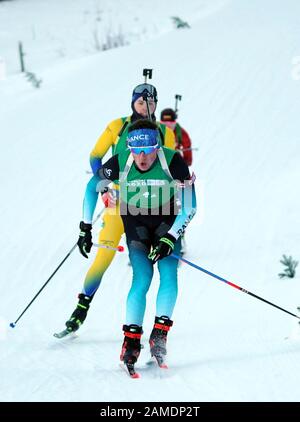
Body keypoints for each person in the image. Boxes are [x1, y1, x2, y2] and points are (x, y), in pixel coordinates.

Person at [78, 119, 197, 372]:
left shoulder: (173, 161)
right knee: (142, 278)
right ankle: (131, 340)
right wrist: (85, 226)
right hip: (135, 221)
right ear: (129, 147)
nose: (142, 156)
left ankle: (159, 335)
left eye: (149, 149)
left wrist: (171, 237)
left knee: (168, 275)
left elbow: (190, 206)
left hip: (167, 220)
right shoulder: (121, 161)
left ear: (158, 146)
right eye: (136, 149)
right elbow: (91, 187)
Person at [64, 83, 176, 333]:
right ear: (132, 103)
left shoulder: (165, 133)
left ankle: (150, 327)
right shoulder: (118, 126)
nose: (146, 108)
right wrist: (105, 185)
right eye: (140, 103)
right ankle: (82, 305)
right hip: (117, 200)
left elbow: (169, 167)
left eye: (151, 103)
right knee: (105, 254)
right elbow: (95, 156)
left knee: (152, 270)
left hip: (149, 205)